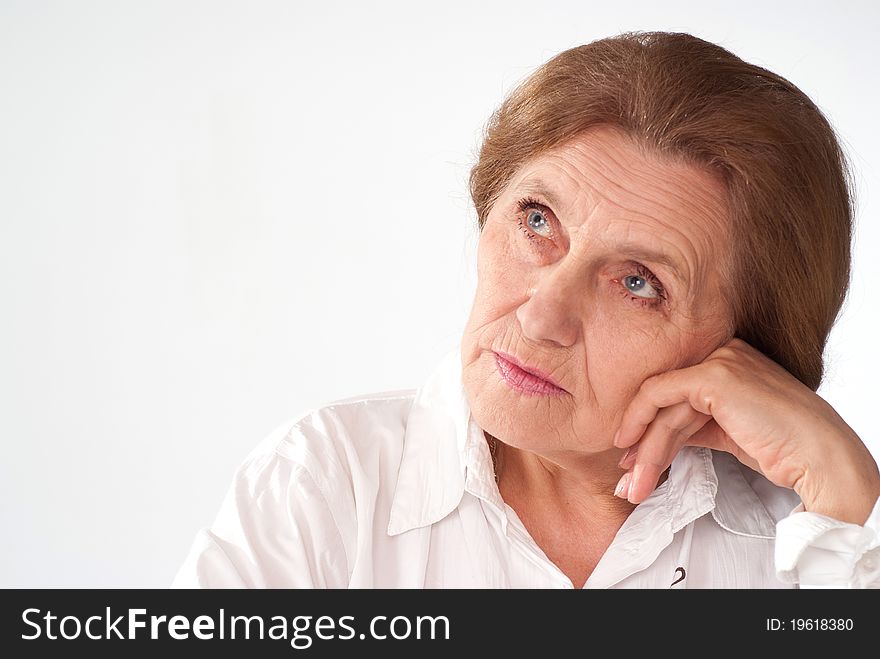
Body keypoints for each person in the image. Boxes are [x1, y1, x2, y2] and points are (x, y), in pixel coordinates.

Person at [172, 31, 880, 588]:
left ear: (743, 347)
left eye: (637, 283)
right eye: (537, 221)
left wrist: (851, 504)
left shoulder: (810, 531)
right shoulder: (326, 484)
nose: (543, 315)